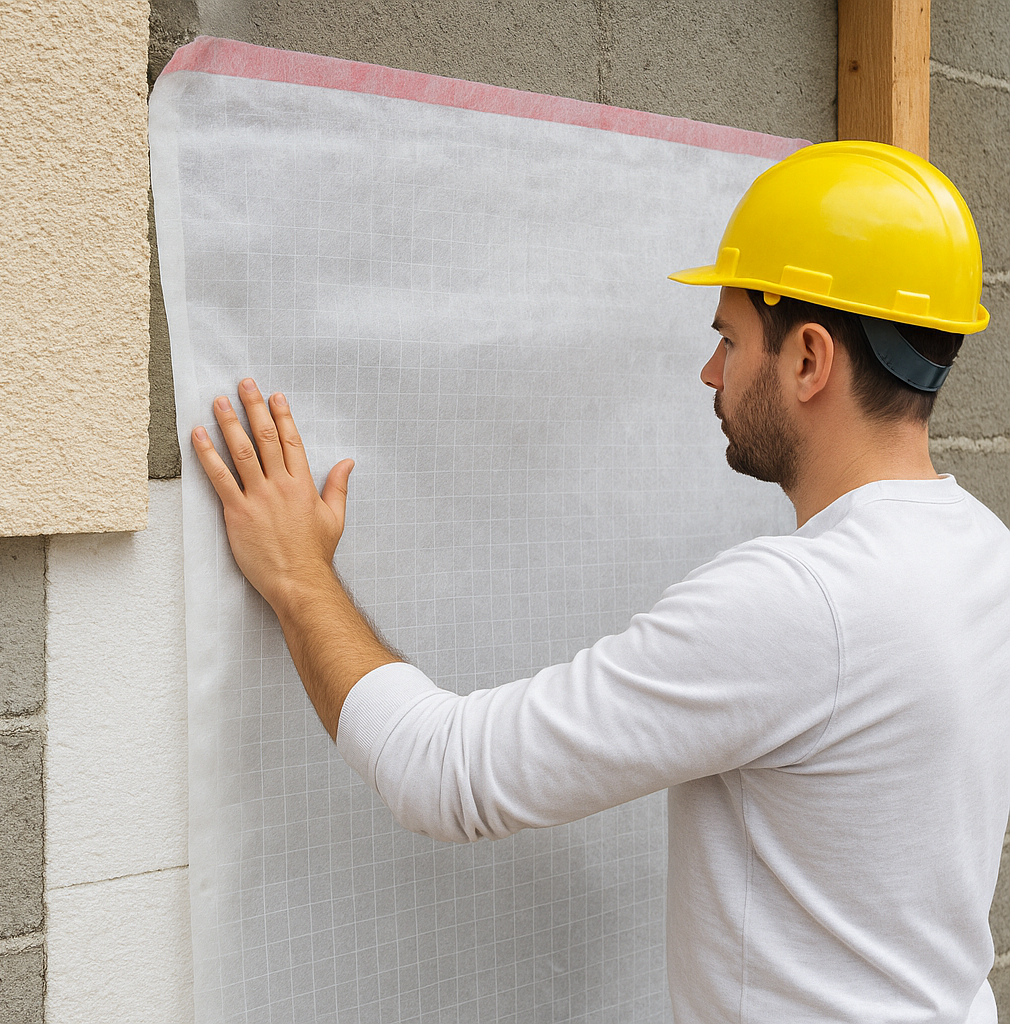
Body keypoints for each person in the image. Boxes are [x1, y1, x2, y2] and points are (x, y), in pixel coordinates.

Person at [191, 141, 1010, 1023]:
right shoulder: (983, 550)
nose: (710, 372)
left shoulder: (804, 604)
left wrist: (300, 577)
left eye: (729, 339)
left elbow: (447, 775)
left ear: (809, 359)